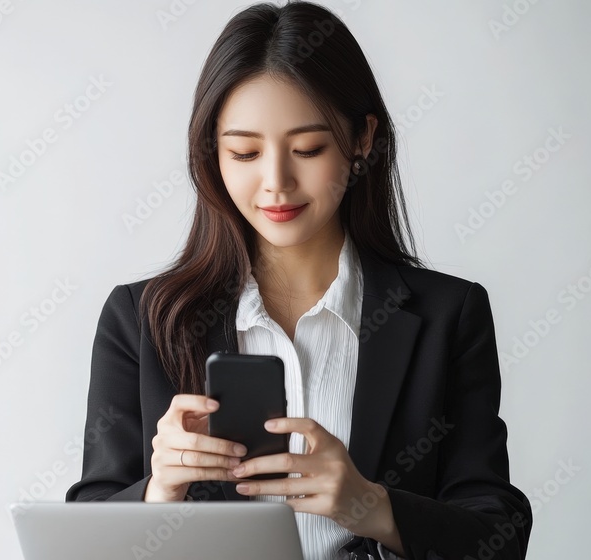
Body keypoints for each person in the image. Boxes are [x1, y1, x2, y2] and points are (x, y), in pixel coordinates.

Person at [64, 2, 532, 558]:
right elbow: (81, 542)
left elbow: (497, 535)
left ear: (362, 139)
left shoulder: (448, 316)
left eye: (308, 149)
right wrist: (159, 493)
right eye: (244, 152)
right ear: (213, 154)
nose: (276, 182)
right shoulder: (140, 320)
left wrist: (372, 506)